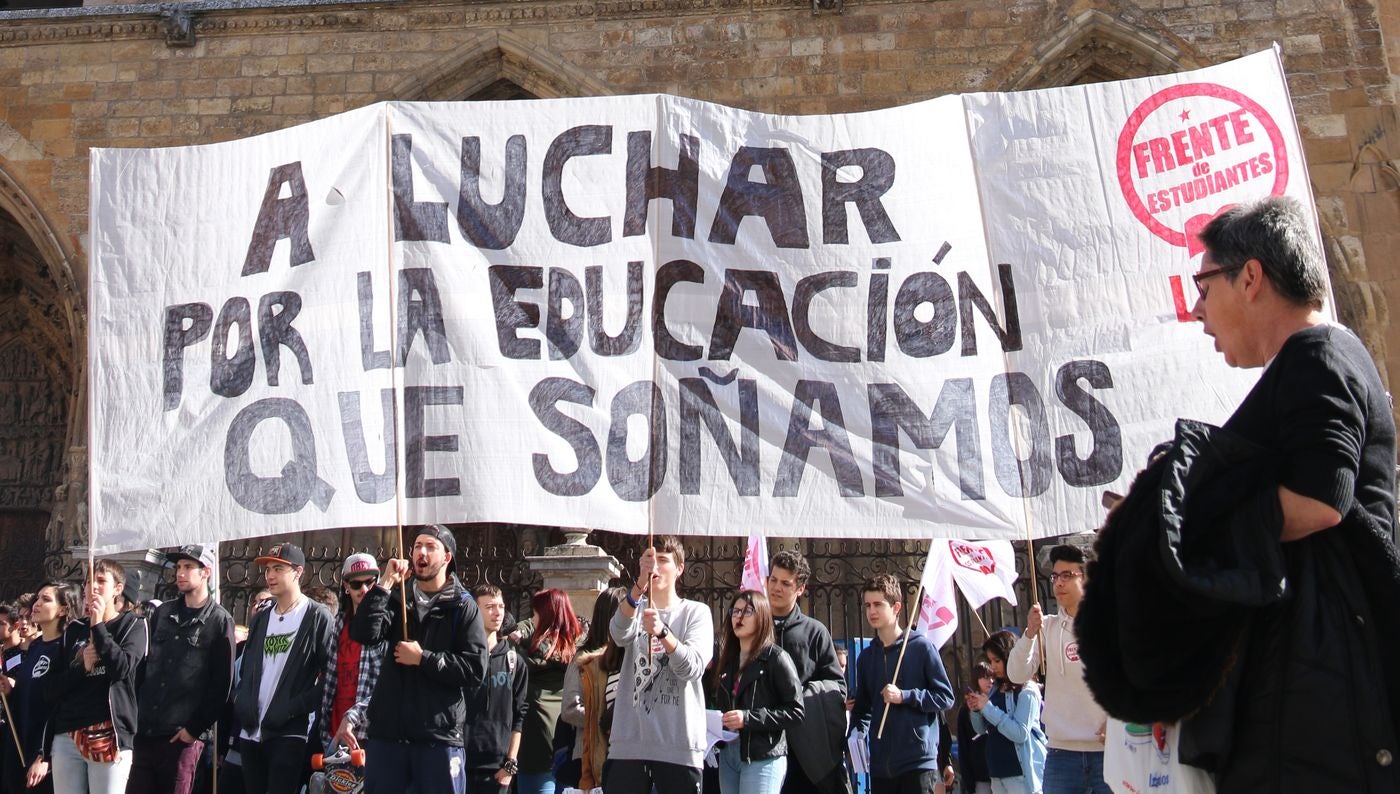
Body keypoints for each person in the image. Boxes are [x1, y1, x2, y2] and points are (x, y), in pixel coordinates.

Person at [1180, 196, 1400, 789]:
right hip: (1310, 694)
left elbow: (1321, 497)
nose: (1198, 312)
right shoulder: (1312, 360)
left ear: (1250, 277)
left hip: (1327, 700)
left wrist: (1187, 516)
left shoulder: (1316, 355)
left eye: (1203, 287)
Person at [350, 524, 489, 794]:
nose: (421, 553)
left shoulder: (462, 605)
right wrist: (385, 584)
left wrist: (423, 659)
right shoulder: (398, 597)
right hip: (389, 737)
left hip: (437, 738)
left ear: (447, 557)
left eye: (430, 546)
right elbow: (364, 633)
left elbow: (474, 669)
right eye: (416, 546)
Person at [606, 536, 714, 794]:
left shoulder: (696, 612)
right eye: (649, 560)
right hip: (630, 744)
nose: (655, 566)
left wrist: (663, 633)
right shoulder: (635, 608)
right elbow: (618, 634)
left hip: (677, 747)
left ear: (679, 569)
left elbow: (693, 667)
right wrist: (638, 587)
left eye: (663, 560)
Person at [129, 545, 236, 794]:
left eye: (188, 567)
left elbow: (222, 685)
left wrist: (193, 730)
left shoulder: (220, 621)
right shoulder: (162, 613)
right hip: (146, 732)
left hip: (182, 739)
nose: (181, 573)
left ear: (206, 572)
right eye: (178, 567)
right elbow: (142, 669)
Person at [233, 542, 334, 794]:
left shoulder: (316, 616)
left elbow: (330, 675)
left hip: (288, 732)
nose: (270, 575)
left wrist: (294, 708)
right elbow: (246, 670)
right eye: (268, 569)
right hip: (251, 730)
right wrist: (242, 703)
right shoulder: (262, 617)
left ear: (298, 572)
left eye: (278, 568)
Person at [1007, 545, 1107, 793]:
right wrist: (1030, 633)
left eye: (1067, 576)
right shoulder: (1047, 627)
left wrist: (1115, 720)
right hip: (1062, 753)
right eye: (1055, 576)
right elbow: (1016, 674)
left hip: (1107, 750)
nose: (1058, 583)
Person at [43, 559, 149, 794]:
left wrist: (98, 626)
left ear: (117, 589)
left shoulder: (133, 626)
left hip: (108, 735)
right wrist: (82, 667)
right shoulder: (73, 629)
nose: (93, 587)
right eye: (89, 581)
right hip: (69, 734)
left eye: (101, 581)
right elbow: (51, 687)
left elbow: (121, 669)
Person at [849, 573, 954, 794]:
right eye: (867, 605)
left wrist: (906, 696)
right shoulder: (866, 658)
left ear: (896, 607)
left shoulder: (921, 647)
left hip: (917, 761)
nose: (872, 611)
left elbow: (945, 697)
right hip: (881, 765)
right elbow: (863, 709)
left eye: (878, 604)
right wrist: (856, 735)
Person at [766, 550, 850, 794]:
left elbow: (837, 686)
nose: (776, 588)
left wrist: (803, 695)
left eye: (785, 583)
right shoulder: (754, 626)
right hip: (762, 744)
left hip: (805, 751)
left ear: (800, 589)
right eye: (773, 580)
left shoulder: (815, 632)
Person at [711, 589, 803, 794]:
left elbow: (796, 711)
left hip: (763, 755)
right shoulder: (728, 661)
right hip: (729, 753)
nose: (739, 617)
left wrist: (748, 718)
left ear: (762, 616)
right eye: (735, 611)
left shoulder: (776, 658)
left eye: (748, 611)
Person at [0, 581, 81, 794]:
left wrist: (45, 756)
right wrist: (10, 691)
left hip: (44, 758)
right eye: (38, 598)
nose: (36, 604)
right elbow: (27, 696)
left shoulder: (66, 650)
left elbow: (60, 706)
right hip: (19, 747)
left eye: (46, 599)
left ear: (64, 609)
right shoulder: (35, 646)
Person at [317, 553, 387, 758]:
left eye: (369, 582)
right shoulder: (338, 623)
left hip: (369, 733)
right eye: (356, 584)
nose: (364, 589)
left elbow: (387, 686)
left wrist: (354, 715)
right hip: (333, 734)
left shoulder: (386, 625)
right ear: (346, 586)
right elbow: (329, 681)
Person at [512, 588, 581, 794]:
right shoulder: (578, 647)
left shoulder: (526, 651)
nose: (531, 619)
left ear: (545, 614)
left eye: (534, 613)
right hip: (568, 743)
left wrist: (521, 637)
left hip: (535, 745)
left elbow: (515, 635)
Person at [560, 587, 625, 791]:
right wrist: (602, 720)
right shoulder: (583, 659)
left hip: (624, 751)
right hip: (588, 754)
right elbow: (570, 709)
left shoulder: (628, 655)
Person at [465, 585, 527, 794]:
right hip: (460, 762)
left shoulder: (514, 662)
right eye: (489, 606)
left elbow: (519, 715)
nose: (497, 612)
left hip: (497, 768)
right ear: (474, 610)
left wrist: (510, 764)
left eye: (500, 606)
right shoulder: (462, 658)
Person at [967, 631, 1044, 794]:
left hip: (1021, 776)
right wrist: (976, 710)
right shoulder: (994, 689)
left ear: (1009, 657)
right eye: (990, 661)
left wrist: (988, 708)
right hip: (997, 775)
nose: (993, 666)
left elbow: (1020, 733)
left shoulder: (1027, 690)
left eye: (997, 660)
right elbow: (981, 730)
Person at [957, 662, 994, 794]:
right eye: (985, 677)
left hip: (1000, 773)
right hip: (980, 775)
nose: (990, 681)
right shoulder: (965, 710)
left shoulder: (997, 702)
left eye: (992, 677)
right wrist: (968, 781)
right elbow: (964, 745)